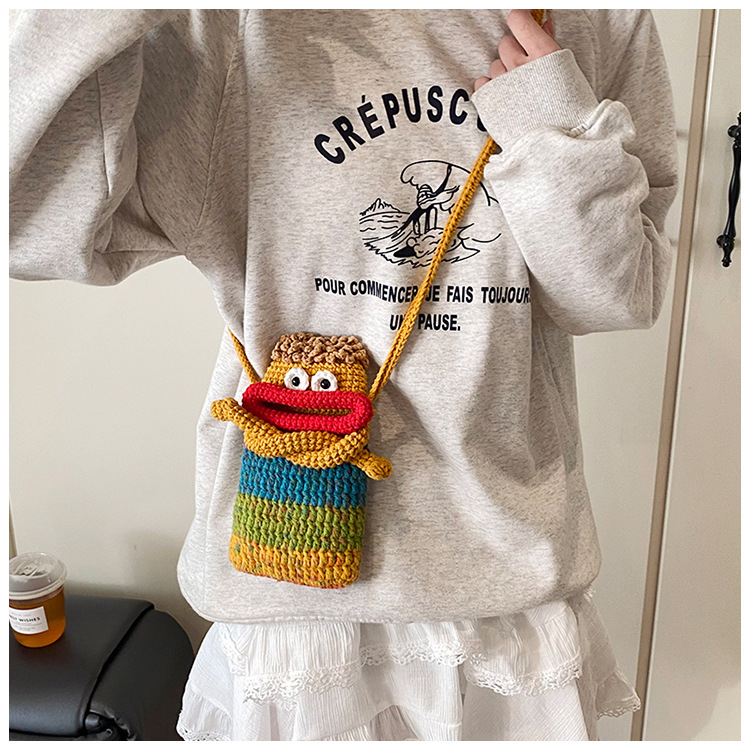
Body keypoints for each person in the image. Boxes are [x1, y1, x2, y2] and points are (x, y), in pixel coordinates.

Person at [9, 9, 679, 741]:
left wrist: (551, 124)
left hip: (508, 599)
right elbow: (28, 227)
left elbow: (616, 296)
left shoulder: (597, 19)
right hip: (292, 598)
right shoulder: (231, 29)